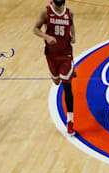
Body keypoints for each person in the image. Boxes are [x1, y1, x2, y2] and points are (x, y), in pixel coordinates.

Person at [34, 0, 78, 135]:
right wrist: (46, 36)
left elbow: (72, 26)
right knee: (56, 81)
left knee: (67, 86)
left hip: (66, 55)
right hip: (51, 55)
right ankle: (58, 75)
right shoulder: (46, 12)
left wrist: (73, 36)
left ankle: (70, 122)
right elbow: (35, 29)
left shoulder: (69, 13)